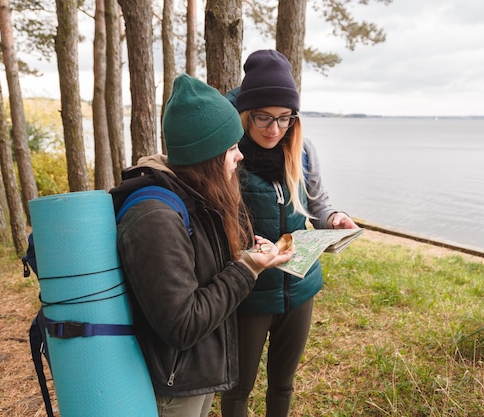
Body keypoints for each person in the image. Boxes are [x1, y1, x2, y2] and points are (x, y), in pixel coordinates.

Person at [110, 73, 294, 417]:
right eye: (232, 148)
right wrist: (248, 268)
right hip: (174, 385)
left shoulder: (190, 194)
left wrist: (245, 255)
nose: (240, 157)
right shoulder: (155, 218)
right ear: (207, 156)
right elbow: (182, 324)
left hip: (194, 371)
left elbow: (198, 274)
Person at [221, 50, 359, 417]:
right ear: (246, 115)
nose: (275, 128)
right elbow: (218, 222)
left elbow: (319, 202)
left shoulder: (303, 150)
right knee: (238, 388)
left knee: (283, 384)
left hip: (300, 288)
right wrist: (247, 249)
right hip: (250, 291)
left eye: (285, 118)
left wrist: (335, 219)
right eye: (264, 117)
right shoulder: (229, 157)